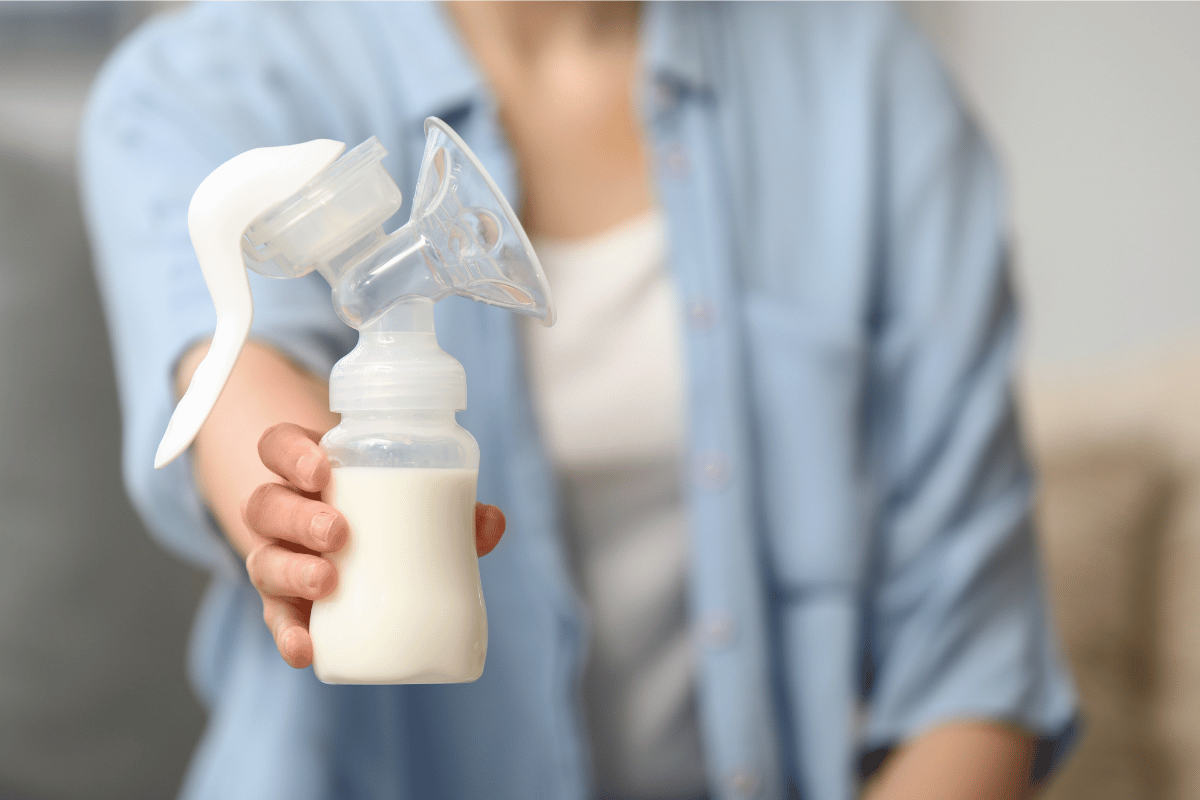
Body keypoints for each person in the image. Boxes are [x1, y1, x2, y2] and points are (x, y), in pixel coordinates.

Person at [79, 3, 1077, 799]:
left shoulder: (871, 90)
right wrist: (301, 500)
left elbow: (975, 668)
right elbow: (240, 381)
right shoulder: (202, 82)